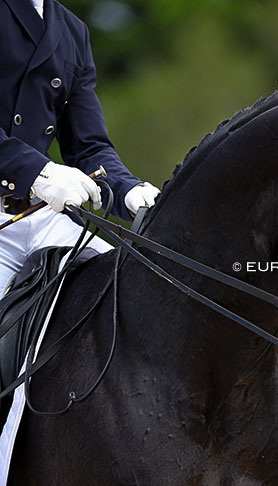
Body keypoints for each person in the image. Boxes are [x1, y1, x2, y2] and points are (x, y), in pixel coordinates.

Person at [0, 0, 160, 295]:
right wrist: (37, 172)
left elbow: (88, 147)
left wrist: (128, 190)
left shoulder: (73, 31)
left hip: (43, 216)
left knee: (140, 293)